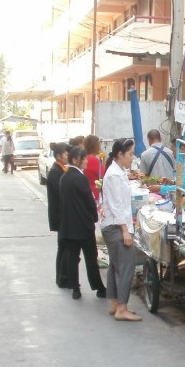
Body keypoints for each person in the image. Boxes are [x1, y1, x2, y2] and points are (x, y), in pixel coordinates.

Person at [100, 138, 141, 322]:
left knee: (116, 265)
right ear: (120, 154)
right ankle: (122, 308)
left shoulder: (118, 171)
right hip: (116, 226)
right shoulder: (114, 175)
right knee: (125, 266)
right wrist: (125, 230)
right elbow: (117, 206)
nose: (132, 158)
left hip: (114, 224)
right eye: (130, 154)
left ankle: (115, 303)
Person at [59, 146, 106, 300]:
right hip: (84, 226)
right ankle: (99, 287)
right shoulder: (81, 178)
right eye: (83, 158)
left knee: (73, 258)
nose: (86, 161)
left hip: (69, 225)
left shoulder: (64, 177)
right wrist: (94, 217)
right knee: (91, 258)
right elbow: (89, 202)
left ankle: (75, 288)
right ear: (75, 160)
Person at [47, 142, 70, 288]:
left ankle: (63, 277)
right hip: (60, 215)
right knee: (63, 247)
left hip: (61, 214)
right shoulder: (56, 172)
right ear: (59, 156)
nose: (69, 156)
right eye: (67, 154)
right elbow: (62, 193)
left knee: (64, 247)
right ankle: (62, 277)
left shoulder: (61, 169)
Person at [83, 134, 104, 207]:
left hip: (88, 191)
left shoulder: (85, 158)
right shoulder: (93, 160)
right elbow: (103, 175)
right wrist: (105, 159)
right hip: (95, 192)